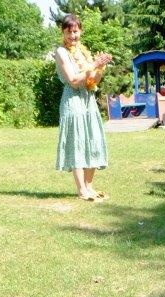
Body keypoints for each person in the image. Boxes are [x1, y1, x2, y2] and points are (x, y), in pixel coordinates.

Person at [55, 14, 112, 202]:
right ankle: (81, 190)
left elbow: (91, 81)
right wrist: (93, 64)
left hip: (88, 99)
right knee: (78, 142)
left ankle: (89, 186)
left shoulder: (83, 52)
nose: (73, 35)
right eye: (69, 32)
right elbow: (73, 80)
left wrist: (100, 68)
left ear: (81, 31)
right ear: (63, 32)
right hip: (73, 101)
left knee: (94, 139)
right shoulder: (61, 52)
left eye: (76, 31)